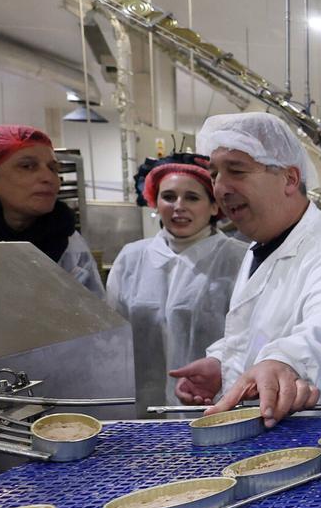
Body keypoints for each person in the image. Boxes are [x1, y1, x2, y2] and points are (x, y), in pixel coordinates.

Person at [170, 112, 321, 425]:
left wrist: (285, 362)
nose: (221, 187)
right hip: (283, 437)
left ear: (289, 178)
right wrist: (222, 364)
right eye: (215, 173)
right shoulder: (261, 243)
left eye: (236, 170)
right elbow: (260, 328)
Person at [106, 155, 248, 412]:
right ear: (155, 202)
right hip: (141, 406)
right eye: (169, 197)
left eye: (192, 198)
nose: (178, 206)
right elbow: (114, 337)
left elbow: (247, 337)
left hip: (214, 404)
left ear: (214, 206)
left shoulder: (237, 259)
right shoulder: (132, 258)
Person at [0, 124, 103, 295]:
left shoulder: (65, 240)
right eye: (27, 166)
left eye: (53, 168)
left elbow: (95, 313)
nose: (49, 178)